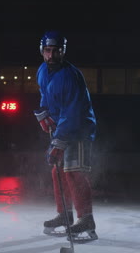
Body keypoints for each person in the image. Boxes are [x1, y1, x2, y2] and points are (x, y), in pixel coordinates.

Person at [34, 30, 98, 242]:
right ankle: (65, 215)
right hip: (62, 127)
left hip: (79, 129)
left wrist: (58, 143)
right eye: (47, 51)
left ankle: (86, 219)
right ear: (42, 51)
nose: (50, 56)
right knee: (58, 172)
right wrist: (43, 114)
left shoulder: (70, 76)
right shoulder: (43, 70)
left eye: (55, 51)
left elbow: (72, 114)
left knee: (74, 173)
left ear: (62, 51)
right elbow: (45, 94)